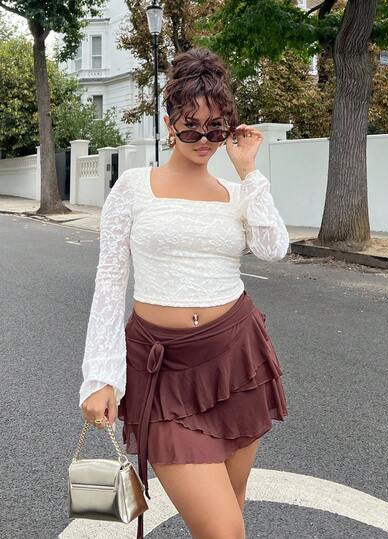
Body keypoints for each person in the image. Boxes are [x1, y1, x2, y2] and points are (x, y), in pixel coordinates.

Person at [80, 46, 290, 539]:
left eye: (216, 128)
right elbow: (109, 284)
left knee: (230, 511)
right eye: (191, 127)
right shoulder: (133, 187)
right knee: (224, 531)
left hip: (236, 361)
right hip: (163, 370)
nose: (204, 139)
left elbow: (273, 248)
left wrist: (248, 170)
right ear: (169, 123)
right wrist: (100, 377)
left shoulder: (236, 193)